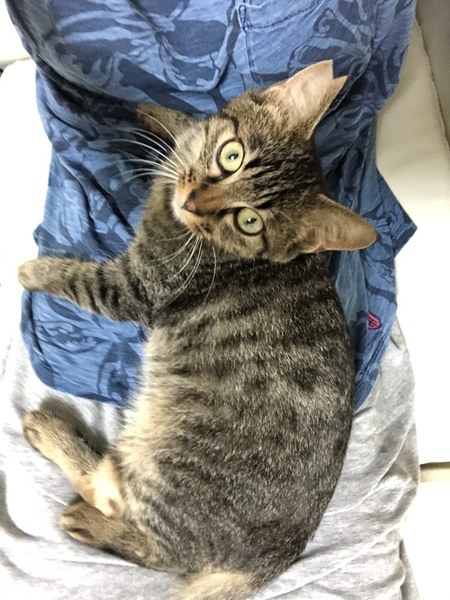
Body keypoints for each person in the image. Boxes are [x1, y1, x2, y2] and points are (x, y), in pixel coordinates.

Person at [1, 1, 419, 598]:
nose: (199, 201)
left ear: (294, 241)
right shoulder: (245, 154)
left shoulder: (223, 242)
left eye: (245, 219)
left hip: (229, 471)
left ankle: (134, 531)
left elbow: (130, 295)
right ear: (274, 99)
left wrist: (40, 274)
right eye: (228, 161)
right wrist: (182, 134)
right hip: (259, 454)